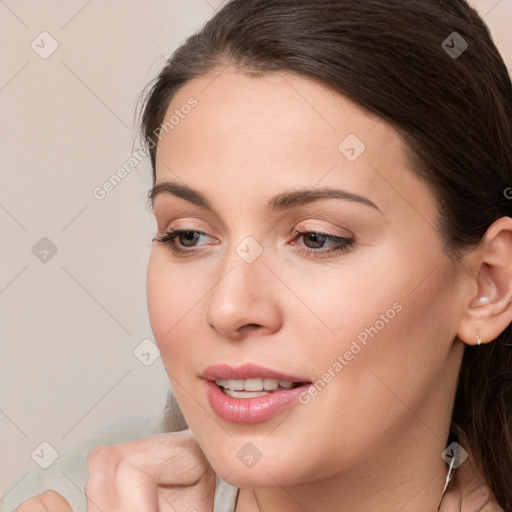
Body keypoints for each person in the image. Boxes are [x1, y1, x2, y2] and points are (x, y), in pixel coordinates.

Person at [14, 0, 512, 510]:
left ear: (487, 285)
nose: (228, 308)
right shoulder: (70, 494)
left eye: (317, 238)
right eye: (188, 236)